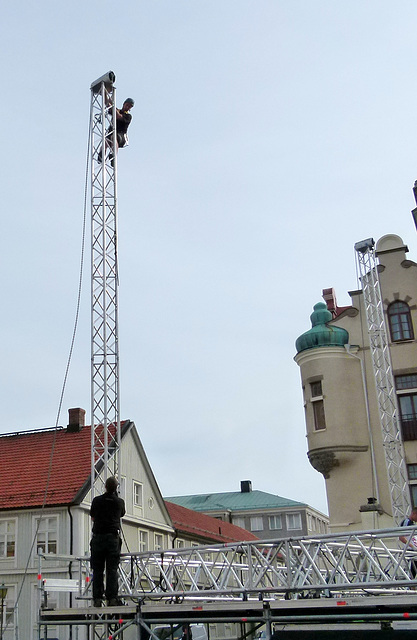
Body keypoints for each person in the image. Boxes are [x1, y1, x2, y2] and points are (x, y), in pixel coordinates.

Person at [90, 476, 126, 606]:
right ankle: (112, 597)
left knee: (98, 569)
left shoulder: (97, 501)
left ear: (105, 486)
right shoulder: (119, 502)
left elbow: (93, 516)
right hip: (112, 538)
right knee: (112, 568)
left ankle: (97, 598)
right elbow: (122, 513)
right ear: (116, 488)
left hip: (98, 537)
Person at [97, 98, 134, 165]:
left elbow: (118, 116)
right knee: (106, 140)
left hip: (121, 135)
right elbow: (108, 103)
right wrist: (105, 93)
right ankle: (101, 155)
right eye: (127, 105)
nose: (127, 107)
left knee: (113, 137)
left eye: (129, 106)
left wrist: (113, 107)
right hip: (111, 133)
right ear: (124, 104)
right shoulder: (117, 110)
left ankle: (113, 155)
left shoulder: (128, 116)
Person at [399, 506, 417, 579]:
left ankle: (412, 586)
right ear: (413, 514)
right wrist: (412, 546)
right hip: (410, 551)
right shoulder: (406, 522)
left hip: (414, 551)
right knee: (411, 572)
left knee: (414, 572)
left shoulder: (413, 524)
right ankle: (410, 586)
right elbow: (401, 537)